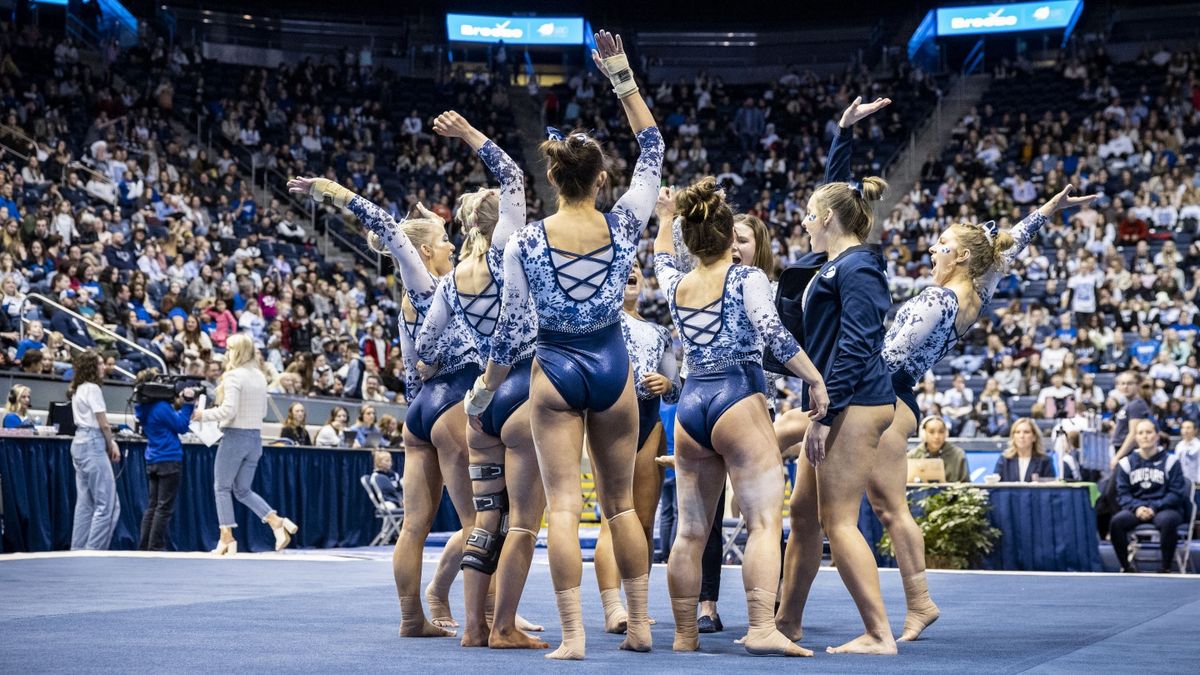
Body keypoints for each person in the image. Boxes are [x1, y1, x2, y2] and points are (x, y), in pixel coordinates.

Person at [776, 156, 1093, 642]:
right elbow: (1010, 244)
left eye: (943, 246)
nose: (933, 250)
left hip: (883, 391)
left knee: (865, 497)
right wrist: (1047, 210)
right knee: (883, 504)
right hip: (896, 393)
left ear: (962, 257)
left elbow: (884, 355)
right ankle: (910, 603)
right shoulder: (977, 292)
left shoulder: (936, 301)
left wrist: (832, 375)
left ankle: (913, 606)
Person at [467, 30, 661, 659]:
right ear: (602, 179)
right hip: (612, 363)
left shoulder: (526, 240)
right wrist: (621, 74)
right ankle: (639, 625)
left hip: (555, 367)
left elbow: (511, 329)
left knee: (559, 507)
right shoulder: (626, 219)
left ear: (553, 178)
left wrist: (487, 389)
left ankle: (574, 637)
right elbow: (653, 145)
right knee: (621, 508)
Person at [290, 171, 471, 637]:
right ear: (424, 253)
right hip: (452, 402)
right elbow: (388, 227)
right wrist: (328, 190)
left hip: (420, 410)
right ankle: (487, 618)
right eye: (444, 240)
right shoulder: (427, 285)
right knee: (479, 521)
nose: (451, 246)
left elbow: (412, 372)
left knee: (414, 526)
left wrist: (420, 414)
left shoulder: (409, 304)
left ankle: (413, 619)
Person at [654, 178, 826, 657]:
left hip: (692, 405)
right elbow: (774, 334)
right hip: (739, 396)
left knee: (690, 530)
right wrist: (814, 379)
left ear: (691, 239)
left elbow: (661, 259)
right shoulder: (747, 278)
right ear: (731, 238)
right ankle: (760, 627)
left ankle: (685, 633)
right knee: (764, 523)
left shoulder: (678, 284)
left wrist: (666, 219)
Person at [415, 111, 545, 649]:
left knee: (486, 519)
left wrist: (452, 358)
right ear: (500, 223)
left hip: (478, 404)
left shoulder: (450, 284)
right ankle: (504, 626)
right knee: (522, 524)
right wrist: (469, 134)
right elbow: (513, 174)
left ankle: (473, 627)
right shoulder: (506, 251)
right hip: (521, 387)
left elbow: (423, 349)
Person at [593, 264, 679, 635]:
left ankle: (636, 605)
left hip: (649, 419)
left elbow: (675, 383)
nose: (631, 272)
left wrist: (667, 382)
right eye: (622, 268)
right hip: (610, 417)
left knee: (643, 521)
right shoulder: (599, 323)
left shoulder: (659, 332)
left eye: (637, 269)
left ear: (643, 282)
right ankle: (613, 608)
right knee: (613, 519)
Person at [193, 333, 298, 555]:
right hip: (254, 438)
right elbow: (262, 411)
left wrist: (202, 415)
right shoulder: (259, 376)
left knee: (222, 487)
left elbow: (229, 410)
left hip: (235, 436)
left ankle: (226, 537)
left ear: (237, 351)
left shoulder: (233, 376)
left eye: (229, 349)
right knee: (242, 490)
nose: (226, 353)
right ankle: (276, 521)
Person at [1110, 420, 1190, 573]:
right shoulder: (1126, 463)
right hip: (1137, 508)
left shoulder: (1171, 461)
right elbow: (1123, 494)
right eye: (1140, 433)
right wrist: (1137, 507)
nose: (1145, 436)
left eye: (1148, 432)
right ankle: (1127, 567)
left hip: (1165, 508)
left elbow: (1176, 494)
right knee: (1117, 522)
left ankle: (1165, 567)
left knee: (1167, 521)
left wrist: (1154, 507)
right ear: (1136, 438)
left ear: (1156, 436)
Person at [134, 371, 197, 551]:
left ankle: (144, 546)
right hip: (169, 458)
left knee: (153, 506)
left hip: (153, 458)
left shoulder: (143, 407)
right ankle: (155, 547)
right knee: (164, 508)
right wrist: (188, 404)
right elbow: (182, 426)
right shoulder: (161, 407)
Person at [69, 350, 121, 551]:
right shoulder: (92, 389)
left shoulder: (78, 388)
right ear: (92, 367)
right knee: (108, 505)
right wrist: (112, 443)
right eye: (99, 364)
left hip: (79, 442)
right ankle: (93, 552)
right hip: (92, 442)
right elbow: (104, 424)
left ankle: (78, 550)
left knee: (85, 504)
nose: (103, 367)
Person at [907, 417, 969, 483]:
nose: (937, 436)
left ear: (946, 433)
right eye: (931, 432)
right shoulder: (912, 456)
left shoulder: (958, 455)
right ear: (923, 434)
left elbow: (966, 485)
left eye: (941, 432)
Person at [993, 418, 1056, 482]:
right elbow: (995, 487)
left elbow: (1050, 489)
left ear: (1034, 437)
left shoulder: (1045, 461)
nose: (1021, 436)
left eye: (1026, 432)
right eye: (1017, 432)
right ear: (1013, 437)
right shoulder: (1004, 460)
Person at [1176, 420, 1200, 484]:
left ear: (1195, 430)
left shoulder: (1198, 446)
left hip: (1196, 482)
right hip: (1182, 482)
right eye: (1183, 428)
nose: (1185, 431)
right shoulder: (1179, 446)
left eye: (1188, 428)